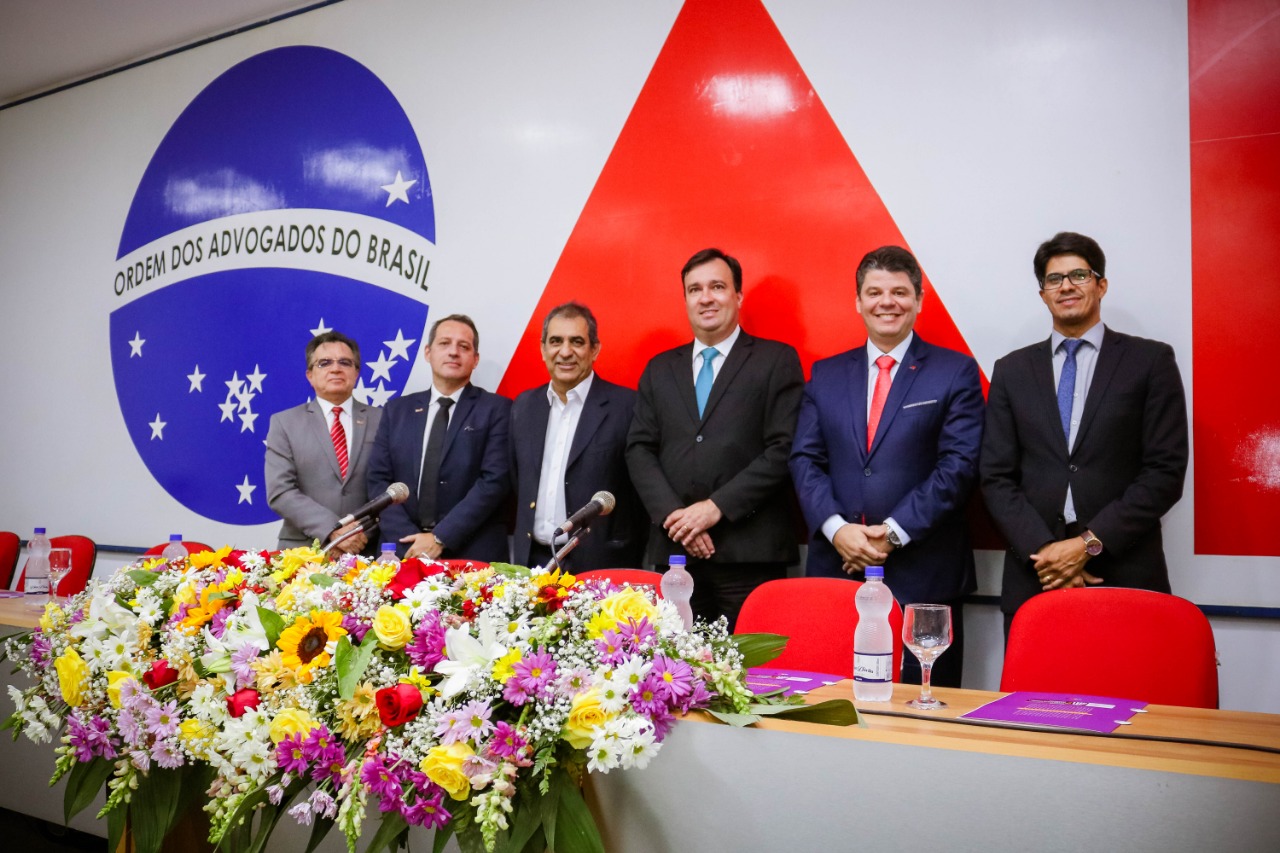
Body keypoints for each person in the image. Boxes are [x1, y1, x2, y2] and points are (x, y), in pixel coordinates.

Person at [789, 246, 984, 686]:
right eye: (875, 292)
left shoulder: (955, 372)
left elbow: (959, 465)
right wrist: (838, 530)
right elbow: (805, 459)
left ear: (918, 300)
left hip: (925, 578)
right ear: (858, 302)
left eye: (899, 292)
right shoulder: (825, 374)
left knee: (925, 708)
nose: (887, 302)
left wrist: (892, 533)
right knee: (834, 702)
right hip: (838, 571)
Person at [981, 232, 1189, 633]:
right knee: (1036, 678)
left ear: (1101, 285)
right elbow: (995, 476)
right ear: (1043, 294)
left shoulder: (1150, 361)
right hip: (1037, 576)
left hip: (1125, 573)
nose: (1066, 286)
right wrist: (1048, 553)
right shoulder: (1011, 370)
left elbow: (1165, 473)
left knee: (1128, 675)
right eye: (1054, 279)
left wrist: (1087, 545)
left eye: (1079, 275)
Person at [626, 248, 804, 629]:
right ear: (686, 300)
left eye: (717, 287)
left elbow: (783, 449)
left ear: (738, 296)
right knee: (673, 664)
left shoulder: (776, 360)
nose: (705, 297)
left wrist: (714, 508)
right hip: (674, 554)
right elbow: (639, 449)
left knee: (749, 666)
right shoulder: (660, 368)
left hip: (750, 556)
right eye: (695, 289)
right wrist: (676, 517)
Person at [510, 303, 647, 571]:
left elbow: (638, 493)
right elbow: (518, 479)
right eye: (556, 341)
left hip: (601, 565)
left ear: (594, 349)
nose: (565, 352)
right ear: (543, 349)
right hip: (533, 562)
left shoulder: (627, 406)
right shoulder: (523, 406)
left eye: (576, 341)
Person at [367, 314, 511, 562]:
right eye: (444, 343)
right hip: (403, 550)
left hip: (471, 553)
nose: (453, 352)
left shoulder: (497, 409)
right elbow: (379, 481)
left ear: (475, 359)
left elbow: (494, 482)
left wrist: (440, 537)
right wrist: (409, 539)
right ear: (428, 352)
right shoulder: (396, 410)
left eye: (463, 346)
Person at [265, 332, 383, 554]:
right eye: (325, 363)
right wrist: (333, 530)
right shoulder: (284, 423)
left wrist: (358, 534)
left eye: (345, 362)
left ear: (356, 373)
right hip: (302, 552)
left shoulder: (383, 420)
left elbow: (391, 488)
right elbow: (280, 491)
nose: (335, 368)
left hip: (365, 550)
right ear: (310, 375)